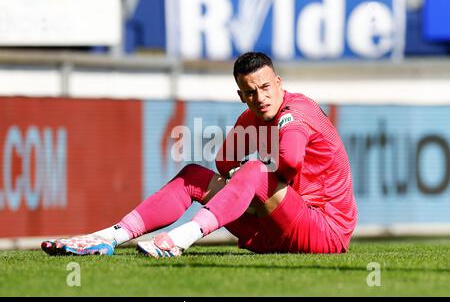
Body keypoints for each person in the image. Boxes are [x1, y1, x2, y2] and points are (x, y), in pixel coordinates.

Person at [41, 52, 357, 258]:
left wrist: (253, 182)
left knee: (256, 172)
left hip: (325, 232)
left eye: (265, 87)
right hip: (275, 230)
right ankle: (109, 237)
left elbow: (289, 161)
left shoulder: (296, 112)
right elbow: (223, 163)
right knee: (194, 175)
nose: (259, 98)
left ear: (279, 83)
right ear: (240, 95)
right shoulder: (251, 117)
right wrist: (246, 189)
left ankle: (181, 238)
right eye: (249, 92)